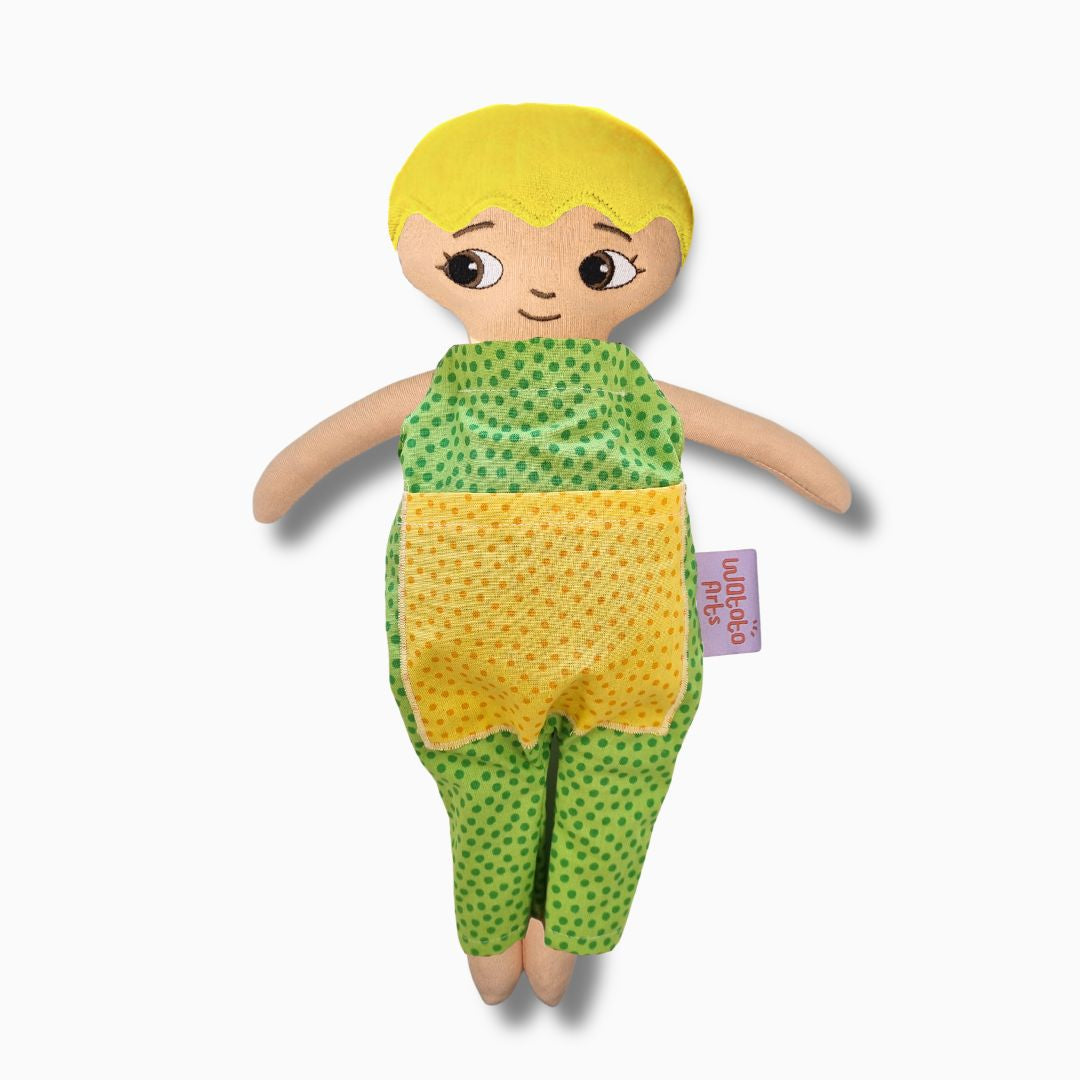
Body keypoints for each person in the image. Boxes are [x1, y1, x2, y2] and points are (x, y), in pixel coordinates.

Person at [253, 103, 851, 1007]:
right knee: (514, 784)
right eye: (477, 266)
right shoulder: (475, 390)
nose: (538, 294)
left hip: (601, 642)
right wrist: (821, 482)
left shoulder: (603, 390)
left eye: (596, 267)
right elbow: (766, 446)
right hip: (507, 643)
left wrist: (279, 489)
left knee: (611, 778)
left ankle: (560, 937)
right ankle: (501, 933)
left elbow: (298, 468)